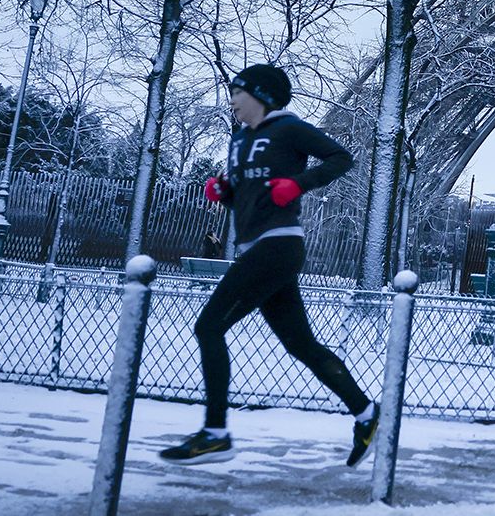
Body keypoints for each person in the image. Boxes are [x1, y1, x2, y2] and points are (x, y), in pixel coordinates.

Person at [159, 63, 379, 466]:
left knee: (209, 325)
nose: (232, 101)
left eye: (237, 93)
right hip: (256, 249)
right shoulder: (238, 139)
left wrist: (299, 183)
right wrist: (224, 191)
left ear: (260, 94)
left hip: (278, 246)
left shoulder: (288, 128)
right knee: (299, 343)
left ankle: (215, 433)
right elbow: (247, 196)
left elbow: (341, 158)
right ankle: (367, 414)